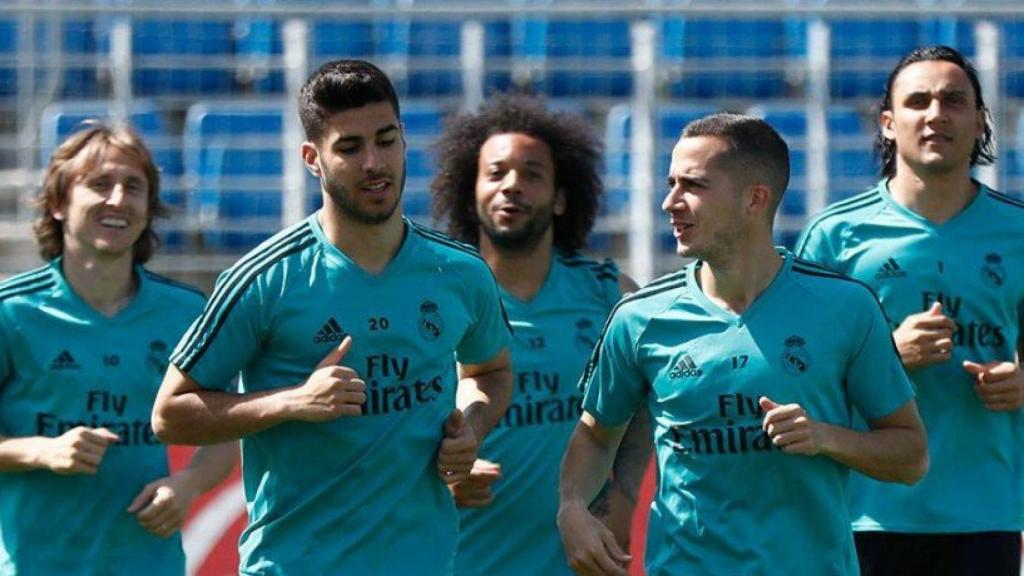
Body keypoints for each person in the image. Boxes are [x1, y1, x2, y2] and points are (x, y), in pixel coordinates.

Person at [151, 59, 513, 575]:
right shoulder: (266, 278)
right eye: (349, 147)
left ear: (405, 140)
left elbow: (491, 372)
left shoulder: (460, 272)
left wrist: (472, 429)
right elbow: (170, 413)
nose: (373, 162)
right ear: (312, 158)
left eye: (386, 140)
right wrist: (292, 401)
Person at [557, 113, 928, 576]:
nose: (670, 202)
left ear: (755, 199)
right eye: (671, 183)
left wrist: (826, 437)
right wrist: (572, 507)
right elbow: (595, 433)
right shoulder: (641, 317)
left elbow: (911, 456)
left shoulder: (845, 308)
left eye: (693, 185)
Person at [796, 45, 1024, 576]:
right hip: (862, 512)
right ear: (889, 122)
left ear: (980, 121)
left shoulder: (1018, 232)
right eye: (918, 101)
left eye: (953, 100)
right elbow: (793, 370)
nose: (935, 114)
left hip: (984, 513)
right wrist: (887, 356)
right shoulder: (835, 237)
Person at [0, 124, 237, 575]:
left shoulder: (186, 312)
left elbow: (225, 433)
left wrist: (187, 485)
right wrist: (43, 451)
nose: (117, 199)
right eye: (99, 184)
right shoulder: (11, 312)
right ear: (57, 203)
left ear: (149, 209)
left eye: (133, 187)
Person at [430, 95, 649, 576]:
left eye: (532, 174)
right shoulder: (433, 298)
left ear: (561, 197)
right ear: (469, 193)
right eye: (496, 173)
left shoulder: (609, 294)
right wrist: (431, 480)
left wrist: (626, 494)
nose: (513, 186)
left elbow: (641, 407)